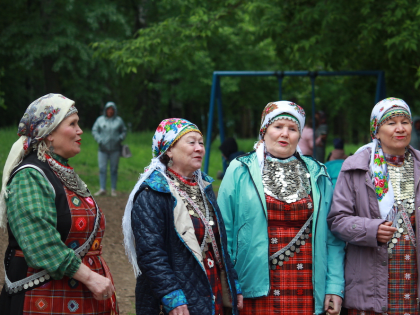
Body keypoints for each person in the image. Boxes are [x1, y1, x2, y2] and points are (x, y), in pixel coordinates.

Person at [217, 101, 345, 315]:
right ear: (264, 130)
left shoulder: (318, 173)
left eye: (292, 129)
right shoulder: (239, 170)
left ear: (299, 134)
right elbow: (224, 231)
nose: (285, 134)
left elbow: (332, 238)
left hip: (308, 286)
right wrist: (229, 282)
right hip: (254, 287)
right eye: (278, 127)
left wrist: (334, 286)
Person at [0, 94, 118, 314]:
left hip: (74, 296)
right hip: (40, 299)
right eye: (72, 124)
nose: (80, 130)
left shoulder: (61, 172)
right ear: (50, 133)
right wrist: (90, 277)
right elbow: (40, 243)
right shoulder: (29, 176)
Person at [122, 118, 243, 315]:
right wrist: (171, 295)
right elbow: (151, 254)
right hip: (179, 299)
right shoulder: (153, 193)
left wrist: (232, 282)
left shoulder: (204, 187)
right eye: (191, 142)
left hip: (212, 288)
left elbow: (219, 243)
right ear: (169, 150)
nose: (199, 148)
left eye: (201, 143)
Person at [328, 97, 418, 314]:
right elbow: (337, 220)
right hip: (370, 283)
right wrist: (372, 229)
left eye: (405, 122)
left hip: (412, 284)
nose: (400, 129)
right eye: (391, 122)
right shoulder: (356, 167)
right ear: (376, 131)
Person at [92, 101, 127, 197]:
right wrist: (99, 140)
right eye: (108, 109)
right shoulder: (100, 120)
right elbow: (95, 130)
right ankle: (102, 188)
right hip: (102, 149)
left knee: (114, 169)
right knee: (102, 168)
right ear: (105, 110)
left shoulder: (118, 121)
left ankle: (113, 189)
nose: (110, 111)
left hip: (115, 149)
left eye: (112, 109)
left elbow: (124, 131)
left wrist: (120, 138)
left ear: (114, 111)